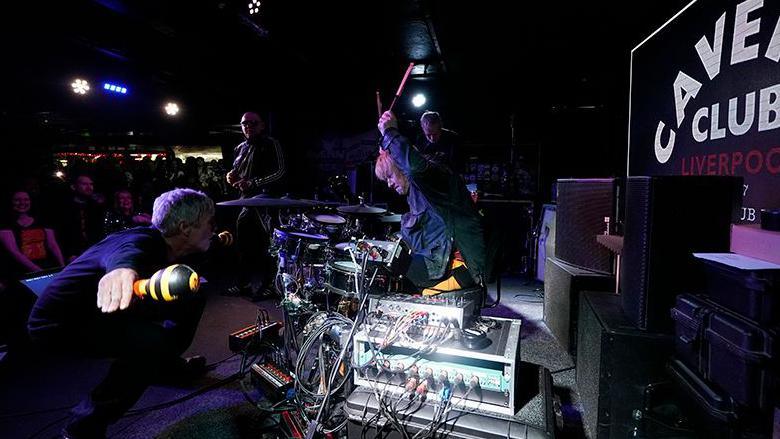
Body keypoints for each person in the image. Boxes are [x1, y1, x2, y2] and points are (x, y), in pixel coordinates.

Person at [28, 188, 215, 439]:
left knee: (194, 293)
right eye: (208, 224)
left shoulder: (173, 248)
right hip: (60, 322)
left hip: (109, 307)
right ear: (185, 227)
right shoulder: (140, 240)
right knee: (151, 342)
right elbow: (126, 253)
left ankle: (167, 367)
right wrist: (121, 271)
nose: (213, 229)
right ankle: (82, 427)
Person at [376, 111, 486, 299]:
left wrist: (390, 133)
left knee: (392, 275)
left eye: (390, 176)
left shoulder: (435, 175)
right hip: (441, 259)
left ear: (402, 167)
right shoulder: (415, 193)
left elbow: (415, 167)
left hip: (461, 265)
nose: (389, 184)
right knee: (388, 265)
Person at [225, 112, 286, 297]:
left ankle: (270, 285)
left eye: (253, 123)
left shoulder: (271, 144)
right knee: (243, 245)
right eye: (244, 123)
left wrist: (254, 183)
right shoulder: (240, 148)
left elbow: (280, 171)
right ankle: (243, 284)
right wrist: (231, 175)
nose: (248, 126)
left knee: (268, 245)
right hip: (245, 202)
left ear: (262, 126)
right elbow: (237, 170)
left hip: (266, 202)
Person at [0, 190, 65, 274]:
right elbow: (14, 251)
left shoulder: (42, 220)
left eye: (26, 199)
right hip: (22, 271)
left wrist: (62, 266)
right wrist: (39, 272)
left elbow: (53, 245)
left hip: (48, 267)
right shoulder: (5, 224)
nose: (22, 202)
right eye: (17, 200)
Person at [56, 174, 105, 262]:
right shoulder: (64, 207)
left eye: (91, 184)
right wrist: (69, 254)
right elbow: (62, 233)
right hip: (73, 255)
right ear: (73, 187)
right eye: (84, 184)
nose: (89, 187)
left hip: (96, 252)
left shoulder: (95, 206)